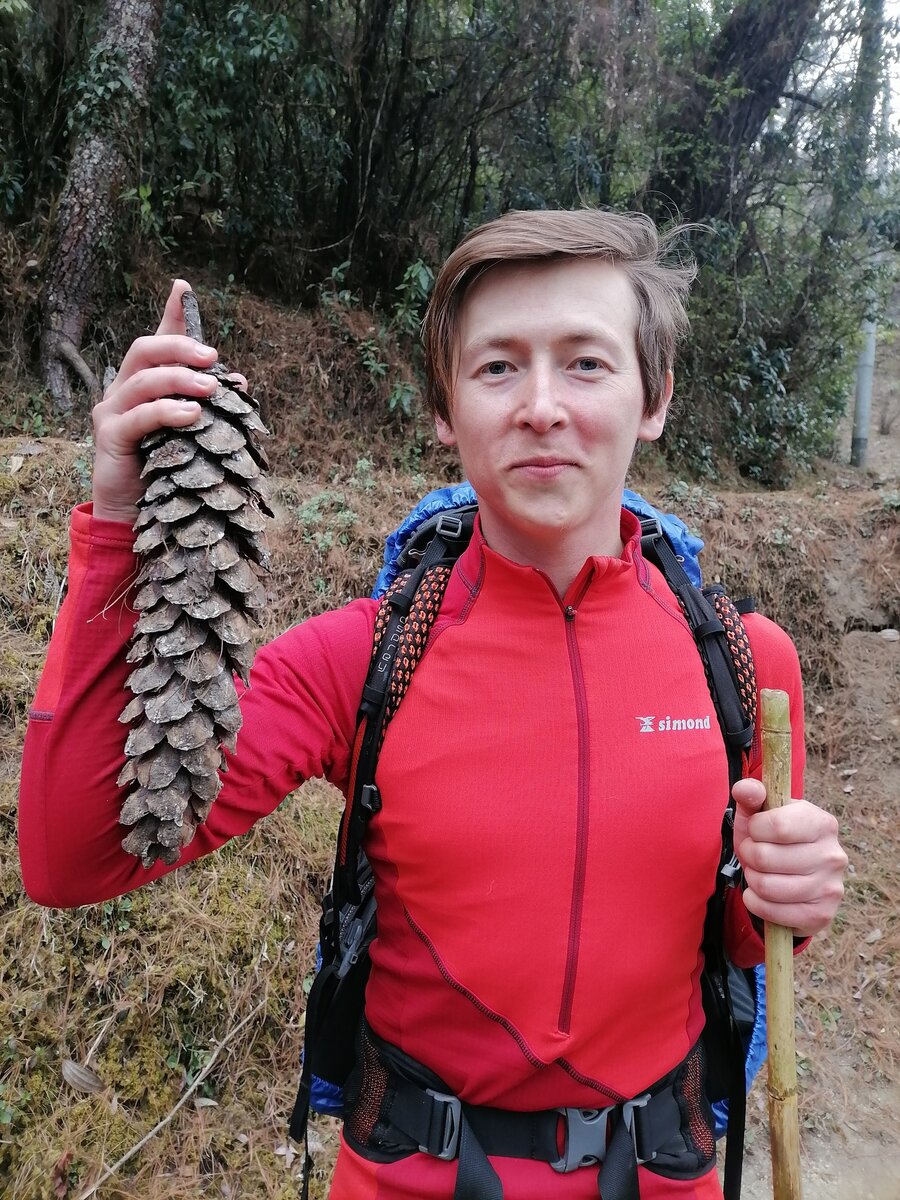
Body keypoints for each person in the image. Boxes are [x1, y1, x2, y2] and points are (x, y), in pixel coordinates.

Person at [19, 209, 847, 1200]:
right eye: (498, 367)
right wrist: (118, 525)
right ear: (447, 408)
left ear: (654, 397)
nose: (541, 406)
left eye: (586, 363)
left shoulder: (749, 667)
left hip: (665, 1176)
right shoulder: (356, 660)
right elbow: (74, 857)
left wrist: (782, 898)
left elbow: (734, 940)